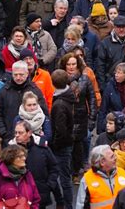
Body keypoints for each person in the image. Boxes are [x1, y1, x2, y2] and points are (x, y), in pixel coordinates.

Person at [58, 52, 97, 182]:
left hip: (80, 117)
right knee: (64, 145)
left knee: (78, 147)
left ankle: (75, 172)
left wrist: (92, 118)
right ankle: (65, 171)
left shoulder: (85, 79)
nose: (71, 67)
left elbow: (91, 98)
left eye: (73, 64)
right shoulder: (59, 79)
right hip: (64, 116)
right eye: (68, 64)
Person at [0, 61, 48, 146]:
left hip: (32, 140)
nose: (18, 78)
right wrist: (4, 134)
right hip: (10, 139)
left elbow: (44, 113)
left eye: (21, 75)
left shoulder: (35, 90)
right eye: (15, 75)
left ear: (27, 74)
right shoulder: (4, 91)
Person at [11, 120, 59, 209]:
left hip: (40, 194)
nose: (17, 135)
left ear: (29, 133)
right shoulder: (10, 151)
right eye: (15, 132)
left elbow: (54, 167)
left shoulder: (42, 149)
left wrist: (49, 185)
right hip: (18, 197)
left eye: (20, 133)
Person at [0, 144, 41, 209]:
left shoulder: (27, 175)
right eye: (20, 156)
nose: (24, 158)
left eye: (24, 155)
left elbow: (36, 199)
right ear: (10, 159)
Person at [75, 145, 125, 209]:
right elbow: (80, 206)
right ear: (102, 162)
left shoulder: (123, 173)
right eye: (112, 157)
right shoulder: (87, 180)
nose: (116, 158)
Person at [50, 69, 75, 209]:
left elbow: (60, 130)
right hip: (66, 143)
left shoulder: (59, 104)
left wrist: (54, 144)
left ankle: (66, 205)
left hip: (61, 146)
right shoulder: (67, 95)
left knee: (64, 179)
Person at [97, 63, 125, 132]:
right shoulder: (110, 86)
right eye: (115, 72)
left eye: (119, 73)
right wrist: (100, 128)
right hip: (115, 122)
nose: (116, 75)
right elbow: (103, 108)